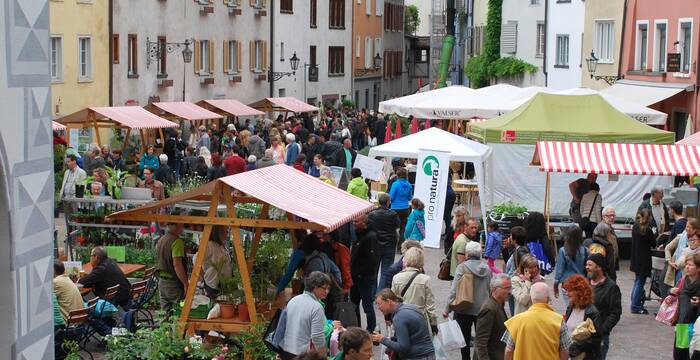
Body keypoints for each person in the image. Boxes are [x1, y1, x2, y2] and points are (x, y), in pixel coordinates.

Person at [444, 241, 492, 359]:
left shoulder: (462, 268)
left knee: (464, 340)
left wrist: (447, 308)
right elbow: (491, 289)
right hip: (482, 309)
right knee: (481, 340)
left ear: (467, 254)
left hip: (464, 308)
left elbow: (454, 290)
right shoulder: (487, 269)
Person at [502, 282, 571, 360]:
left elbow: (508, 351)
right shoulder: (558, 320)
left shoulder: (516, 321)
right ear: (548, 298)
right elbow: (564, 350)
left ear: (531, 298)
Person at [281, 272, 332, 360]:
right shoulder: (316, 307)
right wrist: (323, 357)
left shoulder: (293, 300)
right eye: (324, 288)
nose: (326, 291)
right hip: (302, 354)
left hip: (285, 350)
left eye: (328, 289)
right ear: (314, 287)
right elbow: (317, 337)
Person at [372, 289, 435, 360]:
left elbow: (403, 347)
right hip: (429, 354)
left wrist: (382, 339)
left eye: (380, 304)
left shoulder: (399, 317)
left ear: (389, 302)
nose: (378, 308)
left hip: (417, 356)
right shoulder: (411, 307)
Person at [390, 248, 437, 331]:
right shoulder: (425, 279)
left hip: (402, 318)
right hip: (419, 318)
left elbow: (393, 302)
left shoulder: (396, 278)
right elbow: (430, 306)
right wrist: (433, 324)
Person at [586, 253, 622, 359]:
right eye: (586, 264)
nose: (587, 267)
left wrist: (602, 331)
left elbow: (615, 313)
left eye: (590, 265)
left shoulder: (611, 287)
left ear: (599, 267)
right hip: (582, 333)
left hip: (599, 336)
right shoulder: (585, 283)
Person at [562, 274, 603, 360]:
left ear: (579, 292)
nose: (567, 293)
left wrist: (576, 347)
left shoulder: (592, 312)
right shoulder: (570, 308)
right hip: (571, 355)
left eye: (569, 291)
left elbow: (596, 339)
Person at [350, 215, 380, 332]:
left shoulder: (370, 237)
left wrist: (359, 271)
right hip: (356, 277)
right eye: (353, 221)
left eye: (356, 221)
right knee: (354, 304)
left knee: (367, 305)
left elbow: (373, 260)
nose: (353, 223)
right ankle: (357, 328)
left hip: (364, 278)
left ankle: (370, 329)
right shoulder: (359, 234)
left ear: (364, 222)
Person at [669, 252, 700, 360]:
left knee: (695, 354)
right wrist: (672, 291)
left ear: (698, 268)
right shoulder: (683, 280)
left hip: (697, 327)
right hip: (683, 324)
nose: (687, 267)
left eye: (691, 265)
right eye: (687, 264)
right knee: (680, 354)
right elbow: (674, 296)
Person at [368, 193, 401, 289]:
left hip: (375, 245)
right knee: (385, 271)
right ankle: (380, 293)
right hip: (389, 245)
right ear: (387, 202)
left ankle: (373, 293)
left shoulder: (372, 214)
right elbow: (397, 225)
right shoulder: (393, 214)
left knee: (374, 271)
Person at [475, 273, 511, 360]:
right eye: (506, 288)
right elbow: (480, 342)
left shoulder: (499, 304)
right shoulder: (489, 309)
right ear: (495, 289)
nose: (510, 292)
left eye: (510, 288)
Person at [155, 220, 189, 312]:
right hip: (173, 284)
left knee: (165, 314)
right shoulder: (177, 241)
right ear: (178, 226)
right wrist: (186, 283)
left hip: (161, 282)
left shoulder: (161, 239)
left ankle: (164, 327)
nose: (183, 227)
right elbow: (177, 264)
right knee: (179, 312)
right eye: (182, 225)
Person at [553, 226, 588, 308]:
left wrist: (556, 284)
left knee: (569, 306)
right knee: (580, 306)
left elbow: (559, 270)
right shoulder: (586, 250)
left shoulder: (563, 250)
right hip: (581, 282)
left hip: (567, 283)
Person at [630, 208, 655, 314]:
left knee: (637, 281)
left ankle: (634, 302)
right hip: (644, 259)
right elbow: (653, 244)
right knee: (640, 282)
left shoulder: (635, 226)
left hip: (635, 257)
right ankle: (635, 306)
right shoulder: (648, 230)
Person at [198, 225, 231, 299]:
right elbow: (196, 260)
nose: (227, 233)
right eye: (226, 231)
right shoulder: (209, 245)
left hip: (224, 285)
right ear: (219, 232)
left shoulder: (222, 246)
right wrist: (205, 276)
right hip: (213, 286)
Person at [666, 219, 700, 287]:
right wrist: (669, 260)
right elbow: (668, 247)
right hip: (679, 268)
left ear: (695, 229)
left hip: (694, 273)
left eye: (690, 227)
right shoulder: (681, 236)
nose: (687, 229)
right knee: (678, 287)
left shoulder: (698, 239)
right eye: (686, 226)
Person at [59, 154, 87, 230]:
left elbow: (83, 187)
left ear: (74, 161)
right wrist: (62, 195)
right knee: (67, 220)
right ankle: (69, 236)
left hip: (75, 199)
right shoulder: (67, 172)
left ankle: (76, 237)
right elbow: (64, 184)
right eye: (66, 161)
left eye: (68, 161)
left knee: (76, 219)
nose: (67, 163)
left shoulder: (81, 172)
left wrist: (75, 197)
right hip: (66, 199)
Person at [389, 168, 413, 245]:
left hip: (395, 208)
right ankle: (400, 246)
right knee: (403, 228)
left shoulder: (395, 184)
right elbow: (409, 198)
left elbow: (391, 197)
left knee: (392, 227)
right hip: (405, 208)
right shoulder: (409, 185)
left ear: (397, 175)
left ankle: (392, 244)